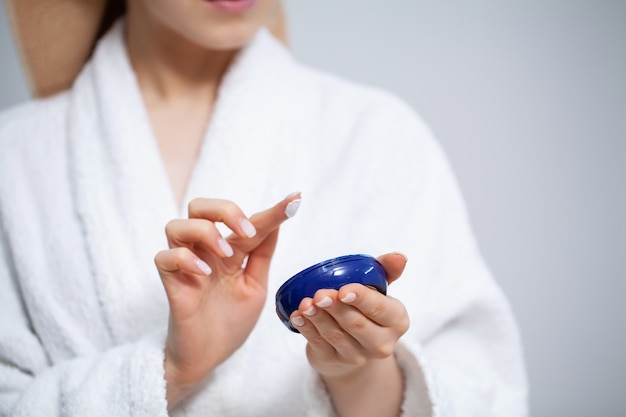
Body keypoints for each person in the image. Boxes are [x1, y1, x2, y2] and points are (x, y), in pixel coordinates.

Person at [0, 0, 528, 416]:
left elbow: (484, 392)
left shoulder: (379, 136)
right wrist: (172, 370)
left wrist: (358, 374)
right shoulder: (16, 157)